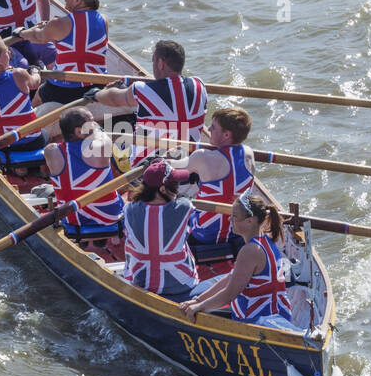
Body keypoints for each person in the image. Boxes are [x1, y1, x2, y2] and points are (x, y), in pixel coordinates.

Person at [179, 193, 295, 329]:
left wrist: (198, 307)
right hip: (277, 313)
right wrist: (198, 300)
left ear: (250, 221)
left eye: (234, 216)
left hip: (259, 321)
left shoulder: (250, 251)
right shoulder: (265, 240)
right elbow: (231, 278)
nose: (229, 219)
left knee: (193, 318)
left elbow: (229, 294)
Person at [92, 39, 207, 161]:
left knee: (99, 133)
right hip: (191, 161)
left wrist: (97, 94)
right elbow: (171, 89)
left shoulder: (141, 89)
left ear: (160, 64)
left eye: (153, 61)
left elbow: (114, 99)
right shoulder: (199, 84)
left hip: (149, 167)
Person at [14, 0, 107, 111]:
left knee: (39, 94)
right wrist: (50, 28)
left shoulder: (59, 23)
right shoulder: (103, 20)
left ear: (77, 0)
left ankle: (26, 122)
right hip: (98, 85)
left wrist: (21, 33)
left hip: (65, 90)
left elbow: (36, 37)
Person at [45, 107, 124, 253]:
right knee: (121, 192)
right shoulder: (101, 147)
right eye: (91, 122)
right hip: (108, 216)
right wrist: (97, 130)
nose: (95, 124)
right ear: (79, 131)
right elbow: (102, 135)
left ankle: (91, 239)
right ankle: (111, 237)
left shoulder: (51, 151)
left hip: (71, 218)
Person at [122, 159, 200, 301]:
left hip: (141, 283)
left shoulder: (128, 209)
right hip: (182, 285)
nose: (178, 188)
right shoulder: (184, 207)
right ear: (163, 190)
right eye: (175, 185)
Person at [185, 108, 255, 246]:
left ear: (227, 135)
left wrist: (166, 159)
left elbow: (172, 172)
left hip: (203, 237)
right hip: (238, 235)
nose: (208, 129)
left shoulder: (202, 157)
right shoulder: (249, 153)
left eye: (213, 127)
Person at [0, 33, 45, 155]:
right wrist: (35, 71)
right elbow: (35, 83)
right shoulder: (18, 74)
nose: (10, 54)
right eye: (6, 52)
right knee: (50, 133)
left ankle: (19, 167)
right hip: (31, 141)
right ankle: (43, 166)